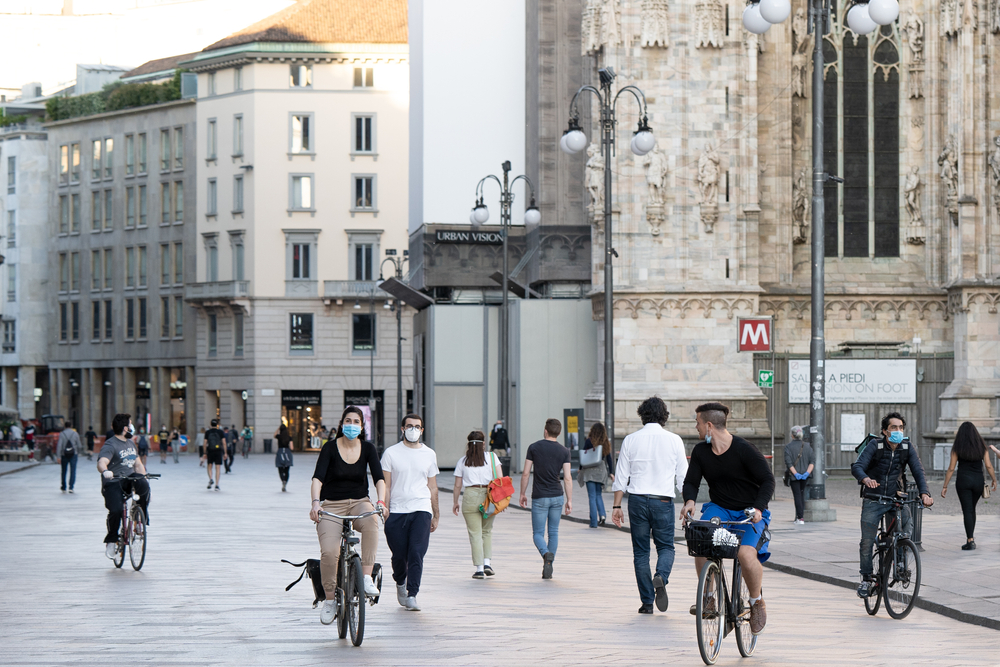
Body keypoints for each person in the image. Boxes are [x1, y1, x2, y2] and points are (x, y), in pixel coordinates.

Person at [681, 402, 774, 636]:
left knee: (745, 554)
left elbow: (767, 481)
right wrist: (690, 501)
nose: (696, 428)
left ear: (709, 425)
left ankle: (756, 602)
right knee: (699, 538)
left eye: (698, 423)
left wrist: (759, 508)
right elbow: (691, 481)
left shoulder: (745, 449)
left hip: (748, 512)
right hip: (720, 509)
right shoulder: (702, 451)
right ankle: (709, 597)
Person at [612, 397, 688, 614]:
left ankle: (647, 603)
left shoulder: (630, 439)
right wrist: (687, 502)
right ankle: (661, 576)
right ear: (664, 415)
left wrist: (616, 507)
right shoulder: (674, 440)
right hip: (663, 500)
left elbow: (621, 477)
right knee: (666, 547)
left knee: (641, 552)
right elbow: (683, 476)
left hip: (636, 500)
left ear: (642, 414)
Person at [310, 406, 386, 625]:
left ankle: (366, 577)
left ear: (362, 427)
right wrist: (316, 503)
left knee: (372, 523)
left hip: (360, 502)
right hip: (332, 505)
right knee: (329, 553)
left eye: (356, 422)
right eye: (348, 421)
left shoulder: (369, 448)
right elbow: (317, 478)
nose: (351, 425)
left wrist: (380, 502)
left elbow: (379, 478)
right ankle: (331, 599)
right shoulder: (330, 448)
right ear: (342, 423)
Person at [851, 412, 934, 598]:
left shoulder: (907, 447)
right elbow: (857, 467)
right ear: (885, 431)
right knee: (866, 542)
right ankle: (866, 579)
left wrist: (925, 493)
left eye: (901, 428)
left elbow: (918, 470)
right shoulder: (876, 445)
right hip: (874, 498)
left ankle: (900, 563)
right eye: (893, 428)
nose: (898, 431)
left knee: (906, 528)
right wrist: (865, 479)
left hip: (896, 497)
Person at [381, 413, 440, 611]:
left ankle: (412, 593)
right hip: (397, 510)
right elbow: (386, 486)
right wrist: (385, 508)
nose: (413, 429)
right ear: (402, 429)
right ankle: (400, 581)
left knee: (416, 552)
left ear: (422, 430)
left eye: (417, 426)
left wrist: (435, 513)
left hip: (421, 509)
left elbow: (432, 487)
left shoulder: (429, 454)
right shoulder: (390, 453)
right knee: (399, 555)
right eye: (409, 426)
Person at [518, 419, 572, 580]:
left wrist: (522, 493)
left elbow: (526, 473)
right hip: (557, 495)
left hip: (540, 496)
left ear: (545, 430)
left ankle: (546, 554)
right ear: (559, 433)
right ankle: (549, 563)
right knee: (553, 532)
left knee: (538, 533)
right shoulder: (564, 451)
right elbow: (568, 478)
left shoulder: (533, 447)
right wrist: (569, 500)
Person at [97, 414, 150, 558]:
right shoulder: (110, 444)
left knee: (143, 484)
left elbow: (138, 464)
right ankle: (112, 540)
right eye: (131, 424)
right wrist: (106, 471)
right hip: (114, 481)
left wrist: (144, 476)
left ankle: (139, 520)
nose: (132, 427)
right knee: (116, 510)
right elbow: (102, 462)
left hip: (128, 478)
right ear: (126, 428)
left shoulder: (131, 443)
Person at [453, 430, 502, 579]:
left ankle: (479, 569)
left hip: (470, 495)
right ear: (484, 444)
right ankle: (487, 563)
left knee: (475, 534)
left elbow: (457, 485)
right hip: (488, 495)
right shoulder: (492, 458)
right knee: (487, 531)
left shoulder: (463, 461)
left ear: (468, 445)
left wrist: (455, 502)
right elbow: (500, 479)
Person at [941, 422, 997, 550]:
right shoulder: (981, 446)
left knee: (967, 509)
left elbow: (951, 468)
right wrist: (994, 479)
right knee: (972, 508)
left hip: (963, 481)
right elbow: (988, 465)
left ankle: (970, 540)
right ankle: (971, 538)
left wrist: (945, 486)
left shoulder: (957, 447)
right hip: (978, 482)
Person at [578, 422, 614, 528]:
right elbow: (609, 459)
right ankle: (602, 515)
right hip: (601, 470)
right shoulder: (605, 442)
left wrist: (580, 468)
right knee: (598, 494)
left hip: (589, 471)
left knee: (592, 496)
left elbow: (584, 455)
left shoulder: (589, 441)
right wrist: (611, 472)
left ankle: (593, 522)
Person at [784, 425, 814, 524]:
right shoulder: (808, 446)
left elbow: (789, 463)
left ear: (792, 435)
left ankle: (799, 517)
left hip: (794, 476)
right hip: (805, 475)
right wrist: (806, 473)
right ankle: (800, 516)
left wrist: (795, 473)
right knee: (801, 494)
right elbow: (812, 462)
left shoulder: (788, 447)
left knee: (797, 495)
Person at [56, 421, 83, 494]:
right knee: (73, 470)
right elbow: (79, 445)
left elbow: (59, 445)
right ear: (71, 426)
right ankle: (71, 487)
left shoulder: (62, 434)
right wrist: (77, 451)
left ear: (64, 426)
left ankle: (64, 487)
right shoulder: (75, 433)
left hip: (64, 454)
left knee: (63, 471)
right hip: (73, 454)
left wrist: (58, 456)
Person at [204, 420, 226, 491]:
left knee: (209, 466)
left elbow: (204, 443)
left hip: (210, 450)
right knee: (218, 468)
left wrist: (205, 453)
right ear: (217, 425)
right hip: (218, 451)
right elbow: (224, 442)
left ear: (210, 425)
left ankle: (210, 478)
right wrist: (225, 453)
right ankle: (217, 485)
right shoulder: (220, 432)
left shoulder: (207, 432)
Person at [274, 424, 293, 492]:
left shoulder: (279, 437)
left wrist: (278, 429)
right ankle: (286, 481)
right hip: (287, 453)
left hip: (280, 452)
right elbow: (292, 447)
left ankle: (283, 480)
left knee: (280, 469)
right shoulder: (289, 437)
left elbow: (274, 435)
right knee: (287, 470)